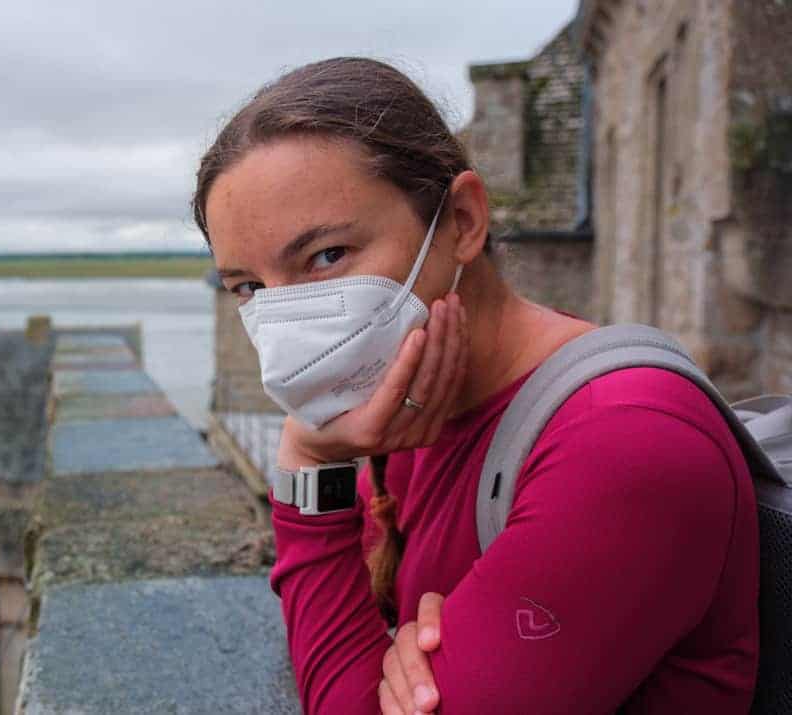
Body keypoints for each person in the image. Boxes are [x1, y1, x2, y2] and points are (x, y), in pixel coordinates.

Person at [192, 57, 759, 714]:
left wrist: (306, 462)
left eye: (326, 255)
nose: (285, 318)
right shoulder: (409, 408)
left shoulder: (624, 444)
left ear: (462, 219)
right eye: (250, 287)